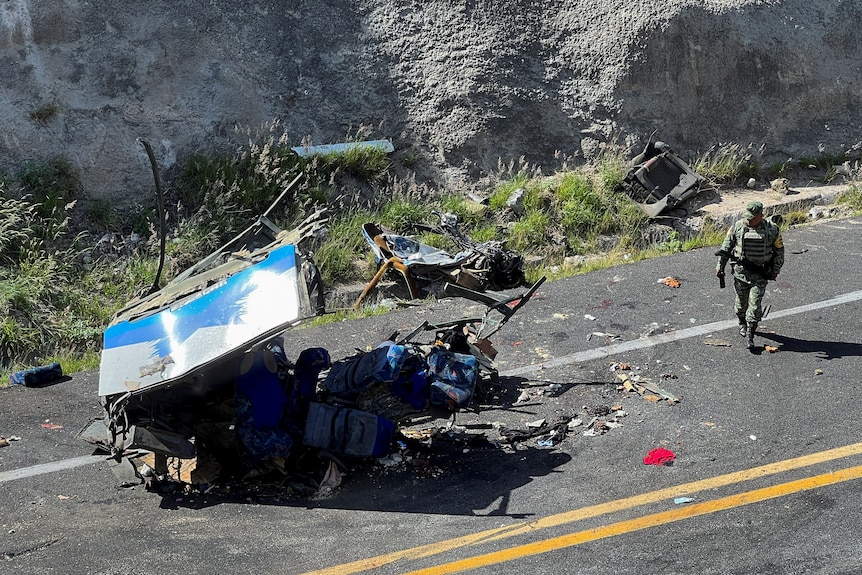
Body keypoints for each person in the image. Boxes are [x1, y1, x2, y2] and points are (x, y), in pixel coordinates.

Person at [715, 201, 785, 349]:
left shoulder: (773, 230)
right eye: (747, 217)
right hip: (740, 274)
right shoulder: (738, 227)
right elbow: (726, 247)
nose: (749, 220)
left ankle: (751, 334)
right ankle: (742, 323)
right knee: (741, 303)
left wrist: (775, 270)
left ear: (761, 215)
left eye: (752, 217)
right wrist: (720, 266)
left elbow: (779, 252)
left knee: (754, 306)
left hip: (760, 274)